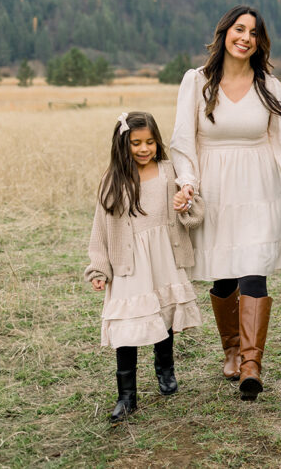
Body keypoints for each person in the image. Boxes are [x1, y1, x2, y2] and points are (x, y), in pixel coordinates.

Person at [171, 5, 281, 401]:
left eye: (253, 32)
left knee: (253, 270)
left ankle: (252, 363)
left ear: (259, 42)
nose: (245, 37)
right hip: (214, 188)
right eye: (239, 29)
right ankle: (232, 350)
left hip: (258, 189)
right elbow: (183, 141)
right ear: (224, 33)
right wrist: (187, 183)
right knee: (225, 274)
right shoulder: (197, 82)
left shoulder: (270, 84)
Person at [84, 111, 203, 423]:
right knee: (126, 324)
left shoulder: (169, 170)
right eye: (136, 143)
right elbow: (100, 229)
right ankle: (127, 396)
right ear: (123, 144)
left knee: (163, 313)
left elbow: (194, 209)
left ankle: (165, 370)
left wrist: (186, 203)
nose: (144, 148)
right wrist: (99, 268)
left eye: (150, 141)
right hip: (129, 261)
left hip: (164, 253)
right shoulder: (112, 180)